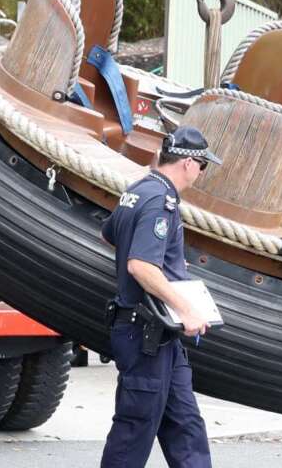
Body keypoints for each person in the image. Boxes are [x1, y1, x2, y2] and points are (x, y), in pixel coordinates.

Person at [100, 126, 221, 468]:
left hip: (161, 335)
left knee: (185, 424)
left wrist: (162, 259)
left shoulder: (138, 191)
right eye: (203, 166)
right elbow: (139, 265)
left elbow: (109, 234)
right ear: (188, 163)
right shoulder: (160, 202)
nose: (201, 173)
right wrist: (187, 310)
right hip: (145, 333)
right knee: (134, 428)